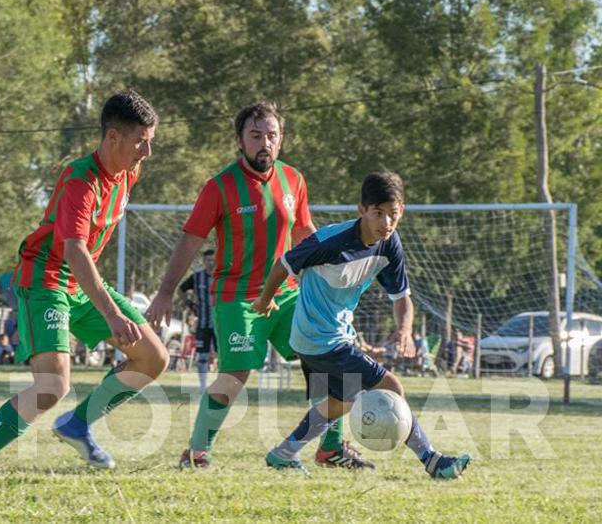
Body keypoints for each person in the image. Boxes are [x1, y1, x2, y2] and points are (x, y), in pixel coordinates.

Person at [0, 90, 168, 486]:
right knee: (51, 387)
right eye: (140, 141)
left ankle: (78, 425)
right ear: (112, 137)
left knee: (153, 358)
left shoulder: (129, 172)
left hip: (81, 283)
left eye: (151, 141)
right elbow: (74, 248)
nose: (147, 151)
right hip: (45, 280)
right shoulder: (80, 179)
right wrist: (113, 314)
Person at [146, 101, 365, 470]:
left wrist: (333, 271)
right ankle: (197, 452)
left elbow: (304, 233)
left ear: (281, 140)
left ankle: (331, 447)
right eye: (256, 135)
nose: (265, 142)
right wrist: (166, 291)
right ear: (239, 141)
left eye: (272, 135)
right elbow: (190, 240)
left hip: (288, 292)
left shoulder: (293, 180)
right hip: (237, 299)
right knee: (234, 376)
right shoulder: (219, 187)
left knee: (329, 358)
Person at [253, 172, 471, 479]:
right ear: (362, 210)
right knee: (392, 387)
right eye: (378, 214)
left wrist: (405, 330)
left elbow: (401, 297)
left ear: (402, 211)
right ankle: (434, 462)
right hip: (319, 338)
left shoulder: (389, 244)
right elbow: (284, 263)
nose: (385, 223)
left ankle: (283, 454)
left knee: (341, 402)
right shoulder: (331, 241)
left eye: (392, 215)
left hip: (328, 337)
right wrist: (264, 300)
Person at [178, 249, 217, 392]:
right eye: (208, 260)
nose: (211, 263)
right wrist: (188, 303)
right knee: (202, 356)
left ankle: (221, 385)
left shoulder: (222, 276)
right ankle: (203, 386)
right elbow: (181, 289)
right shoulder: (197, 277)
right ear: (204, 261)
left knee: (222, 356)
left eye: (213, 260)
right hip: (203, 323)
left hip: (220, 324)